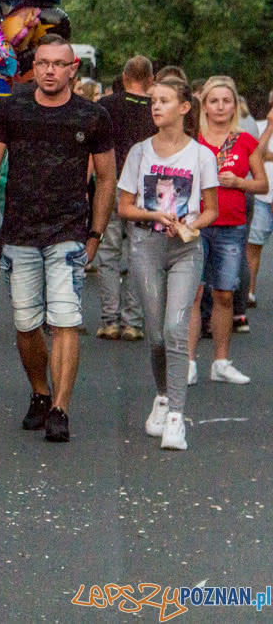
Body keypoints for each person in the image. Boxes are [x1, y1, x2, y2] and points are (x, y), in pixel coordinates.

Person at [0, 38, 115, 443]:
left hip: (68, 232)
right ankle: (40, 391)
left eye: (58, 64)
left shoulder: (92, 116)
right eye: (43, 64)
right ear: (34, 68)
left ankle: (60, 408)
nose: (50, 71)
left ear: (73, 70)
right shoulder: (11, 110)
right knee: (26, 323)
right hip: (19, 232)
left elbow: (106, 179)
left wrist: (95, 234)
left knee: (65, 319)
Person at [117, 76, 217, 451]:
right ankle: (161, 395)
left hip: (185, 249)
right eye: (153, 101)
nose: (156, 107)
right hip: (146, 244)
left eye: (164, 101)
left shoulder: (200, 155)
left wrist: (190, 222)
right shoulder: (140, 153)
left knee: (177, 327)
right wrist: (152, 212)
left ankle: (176, 416)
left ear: (184, 107)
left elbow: (212, 210)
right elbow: (123, 207)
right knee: (156, 333)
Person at [188, 75, 265, 385]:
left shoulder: (246, 140)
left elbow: (262, 184)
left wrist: (240, 182)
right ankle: (189, 362)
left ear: (235, 105)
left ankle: (221, 361)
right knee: (194, 293)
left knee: (224, 294)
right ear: (203, 105)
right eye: (214, 100)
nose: (220, 106)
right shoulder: (193, 140)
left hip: (232, 225)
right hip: (197, 223)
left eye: (226, 100)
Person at [94, 57, 156, 342]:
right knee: (138, 254)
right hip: (147, 187)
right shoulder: (155, 110)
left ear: (124, 76)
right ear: (151, 79)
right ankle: (133, 320)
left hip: (112, 181)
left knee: (108, 252)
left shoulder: (107, 106)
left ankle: (109, 318)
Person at [248, 90, 273, 312]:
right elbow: (255, 154)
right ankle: (250, 291)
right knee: (253, 245)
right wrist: (270, 127)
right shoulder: (259, 126)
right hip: (263, 197)